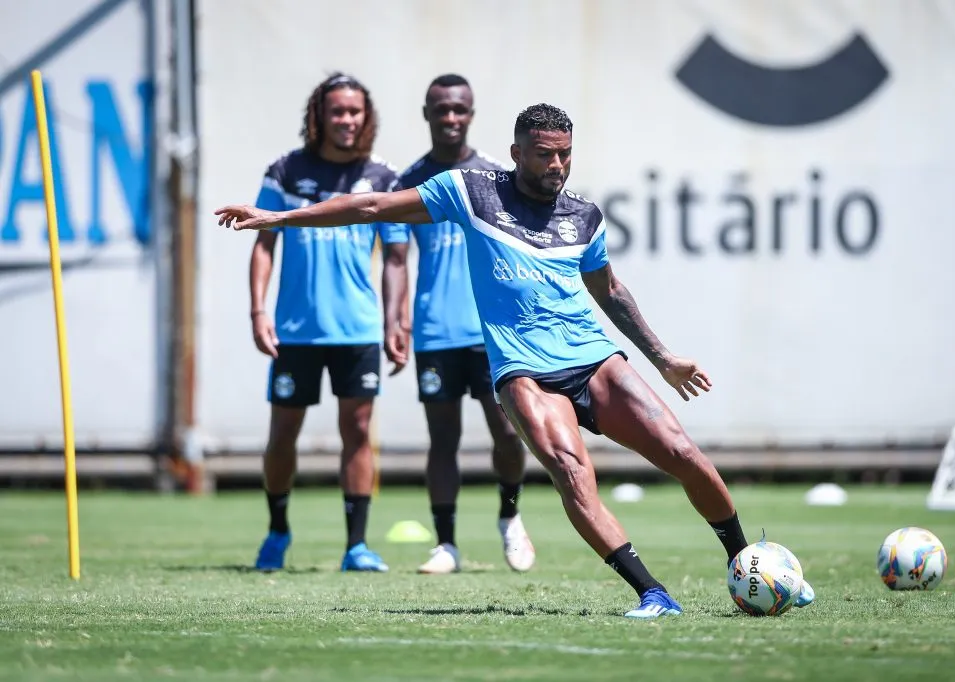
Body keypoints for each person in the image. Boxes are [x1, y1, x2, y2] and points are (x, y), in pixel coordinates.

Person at [218, 103, 815, 617]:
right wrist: (280, 218)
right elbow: (373, 207)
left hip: (592, 359)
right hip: (525, 371)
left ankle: (750, 564)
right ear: (516, 152)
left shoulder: (584, 215)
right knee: (573, 474)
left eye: (565, 155)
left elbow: (608, 290)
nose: (556, 166)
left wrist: (663, 359)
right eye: (544, 155)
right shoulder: (469, 190)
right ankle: (653, 595)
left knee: (683, 453)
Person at [248, 72, 409, 573]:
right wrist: (258, 310)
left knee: (357, 430)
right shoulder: (286, 171)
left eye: (354, 111)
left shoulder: (383, 178)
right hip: (295, 329)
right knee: (283, 434)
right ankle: (277, 531)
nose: (346, 120)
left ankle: (356, 546)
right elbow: (264, 242)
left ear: (367, 118)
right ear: (318, 116)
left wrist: (394, 321)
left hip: (357, 329)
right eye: (336, 111)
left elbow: (397, 257)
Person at [384, 74, 534, 575]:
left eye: (459, 110)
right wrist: (395, 320)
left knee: (510, 435)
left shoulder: (495, 178)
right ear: (426, 114)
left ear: (471, 114)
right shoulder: (406, 183)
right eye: (441, 109)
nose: (451, 118)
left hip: (494, 334)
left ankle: (510, 517)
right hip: (435, 331)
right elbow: (397, 258)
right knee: (442, 440)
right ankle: (445, 544)